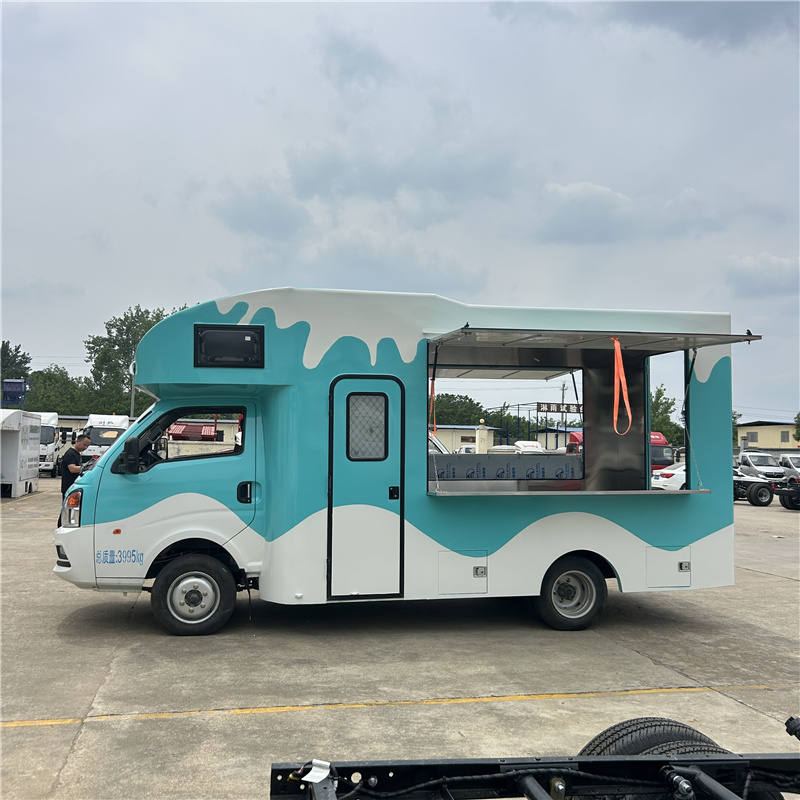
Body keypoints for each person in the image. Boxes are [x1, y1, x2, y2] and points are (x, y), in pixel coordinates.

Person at [58, 434, 91, 526]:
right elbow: (72, 468)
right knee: (67, 510)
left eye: (87, 446)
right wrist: (85, 468)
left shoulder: (77, 453)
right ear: (77, 441)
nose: (86, 447)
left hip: (74, 485)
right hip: (68, 486)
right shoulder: (70, 454)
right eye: (84, 445)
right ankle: (61, 525)